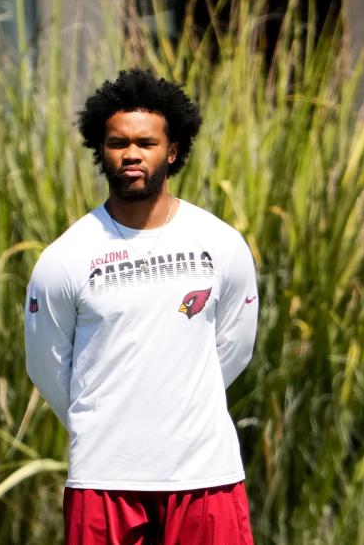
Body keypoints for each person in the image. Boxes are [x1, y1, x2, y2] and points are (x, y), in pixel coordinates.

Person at [24, 68, 259, 544]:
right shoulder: (66, 258)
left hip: (203, 475)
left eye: (146, 143)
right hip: (104, 478)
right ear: (101, 151)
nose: (131, 153)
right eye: (118, 143)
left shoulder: (220, 244)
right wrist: (112, 418)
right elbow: (48, 367)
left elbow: (233, 350)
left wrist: (178, 404)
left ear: (171, 152)